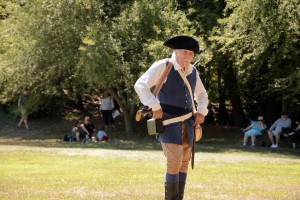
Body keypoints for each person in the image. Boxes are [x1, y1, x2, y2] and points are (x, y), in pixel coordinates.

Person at [134, 35, 209, 200]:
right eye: (185, 52)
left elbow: (202, 94)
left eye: (191, 54)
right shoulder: (164, 66)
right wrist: (155, 106)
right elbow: (140, 85)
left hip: (188, 123)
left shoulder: (193, 71)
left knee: (184, 163)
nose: (188, 57)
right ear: (176, 51)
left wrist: (202, 111)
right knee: (174, 161)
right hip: (169, 122)